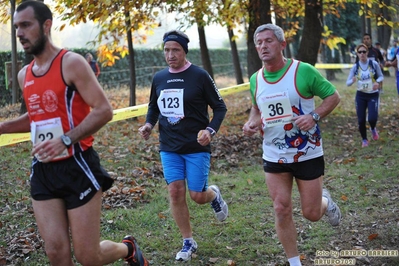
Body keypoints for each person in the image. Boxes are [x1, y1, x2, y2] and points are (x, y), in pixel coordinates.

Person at [2, 2, 148, 265]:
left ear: (46, 26)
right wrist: (2, 127)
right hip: (43, 170)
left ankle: (128, 249)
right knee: (56, 252)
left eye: (26, 25)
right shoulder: (25, 75)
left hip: (78, 165)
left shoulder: (71, 63)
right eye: (16, 27)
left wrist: (66, 139)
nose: (20, 33)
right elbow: (36, 118)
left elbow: (103, 110)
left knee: (88, 256)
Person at [242, 24, 342, 266]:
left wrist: (314, 116)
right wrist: (251, 122)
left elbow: (333, 96)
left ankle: (325, 202)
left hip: (307, 152)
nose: (263, 46)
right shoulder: (256, 79)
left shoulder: (303, 71)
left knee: (311, 213)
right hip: (274, 154)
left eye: (268, 41)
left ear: (282, 44)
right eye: (259, 43)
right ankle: (294, 262)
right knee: (281, 207)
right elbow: (257, 109)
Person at [138, 30, 228, 262]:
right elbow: (153, 106)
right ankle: (188, 241)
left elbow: (220, 108)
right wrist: (149, 124)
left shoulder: (199, 76)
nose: (170, 55)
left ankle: (214, 195)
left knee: (197, 195)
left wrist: (210, 130)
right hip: (169, 146)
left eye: (175, 50)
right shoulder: (159, 78)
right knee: (175, 191)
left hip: (196, 145)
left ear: (184, 51)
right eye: (167, 50)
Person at [346, 43, 384, 147]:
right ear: (357, 54)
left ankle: (373, 128)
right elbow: (347, 83)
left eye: (364, 51)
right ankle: (364, 139)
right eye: (360, 52)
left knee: (372, 118)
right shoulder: (355, 67)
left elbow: (381, 76)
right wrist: (352, 80)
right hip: (361, 95)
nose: (362, 54)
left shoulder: (373, 64)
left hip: (372, 95)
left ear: (367, 52)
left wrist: (377, 82)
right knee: (361, 119)